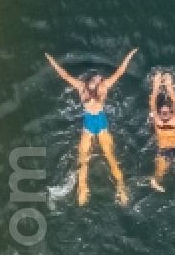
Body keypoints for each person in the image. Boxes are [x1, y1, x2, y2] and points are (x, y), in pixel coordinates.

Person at [45, 48, 137, 206]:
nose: (98, 80)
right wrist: (52, 60)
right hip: (88, 124)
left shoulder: (104, 87)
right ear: (89, 81)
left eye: (99, 79)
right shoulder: (81, 87)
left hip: (100, 123)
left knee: (110, 157)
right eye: (95, 79)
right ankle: (82, 188)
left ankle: (121, 188)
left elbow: (120, 71)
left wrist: (129, 55)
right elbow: (64, 75)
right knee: (82, 160)